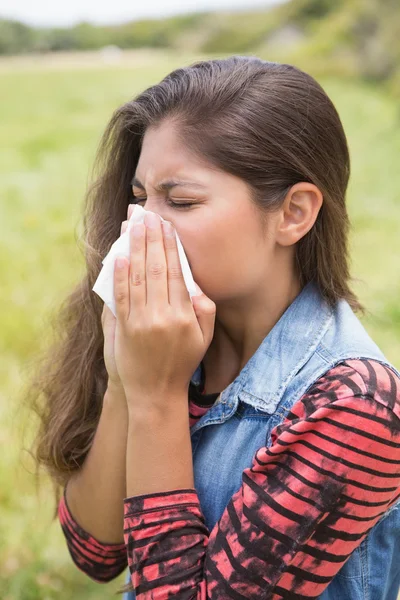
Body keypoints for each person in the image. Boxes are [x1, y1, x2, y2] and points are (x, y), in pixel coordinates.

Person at [29, 56, 400, 599]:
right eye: (139, 198)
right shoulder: (174, 341)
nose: (138, 225)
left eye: (181, 201)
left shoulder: (355, 405)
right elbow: (95, 550)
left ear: (293, 213)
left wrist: (157, 397)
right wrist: (124, 376)